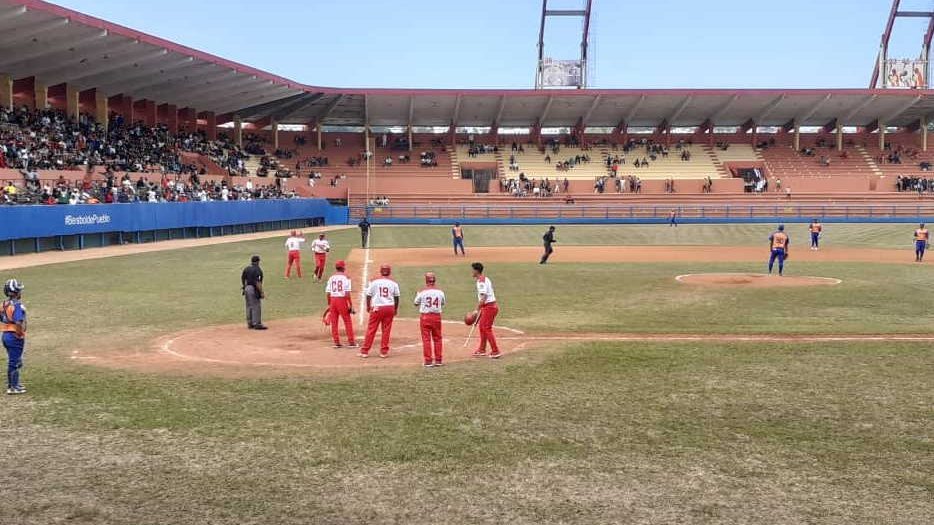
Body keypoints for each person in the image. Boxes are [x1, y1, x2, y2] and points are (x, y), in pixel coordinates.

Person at [359, 264, 400, 358]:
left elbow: (368, 295)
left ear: (381, 271)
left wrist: (368, 306)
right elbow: (397, 297)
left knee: (371, 329)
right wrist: (395, 309)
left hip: (377, 308)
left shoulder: (374, 282)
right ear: (389, 272)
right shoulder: (394, 283)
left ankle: (365, 351)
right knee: (386, 330)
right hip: (389, 307)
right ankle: (383, 352)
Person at [413, 272, 446, 367]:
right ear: (434, 280)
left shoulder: (422, 291)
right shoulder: (440, 291)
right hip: (436, 317)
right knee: (438, 339)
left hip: (425, 317)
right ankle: (438, 360)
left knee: (426, 339)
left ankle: (428, 361)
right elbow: (442, 303)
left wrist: (417, 295)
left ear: (426, 280)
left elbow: (415, 303)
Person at [2, 279, 27, 395]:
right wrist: (19, 334)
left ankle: (14, 383)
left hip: (5, 335)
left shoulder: (4, 304)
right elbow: (18, 322)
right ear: (14, 292)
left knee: (15, 360)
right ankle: (13, 387)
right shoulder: (17, 306)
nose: (20, 292)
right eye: (19, 290)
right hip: (14, 336)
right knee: (15, 361)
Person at [471, 262, 501, 359]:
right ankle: (482, 349)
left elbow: (483, 297)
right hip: (489, 307)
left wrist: (476, 310)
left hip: (489, 307)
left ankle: (495, 351)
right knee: (482, 327)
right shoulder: (485, 279)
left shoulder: (481, 282)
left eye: (472, 270)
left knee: (486, 328)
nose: (471, 272)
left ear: (476, 271)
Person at [325, 260, 356, 348]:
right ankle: (351, 342)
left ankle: (337, 342)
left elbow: (328, 293)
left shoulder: (331, 277)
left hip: (333, 300)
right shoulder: (346, 277)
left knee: (334, 322)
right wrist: (350, 305)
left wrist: (329, 304)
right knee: (347, 321)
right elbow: (347, 293)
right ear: (343, 267)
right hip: (341, 300)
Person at [241, 255, 267, 330]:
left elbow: (244, 279)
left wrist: (245, 288)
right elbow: (257, 282)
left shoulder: (247, 268)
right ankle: (257, 324)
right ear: (258, 261)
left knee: (249, 306)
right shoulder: (257, 269)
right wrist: (261, 292)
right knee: (256, 306)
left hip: (246, 288)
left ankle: (250, 323)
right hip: (253, 289)